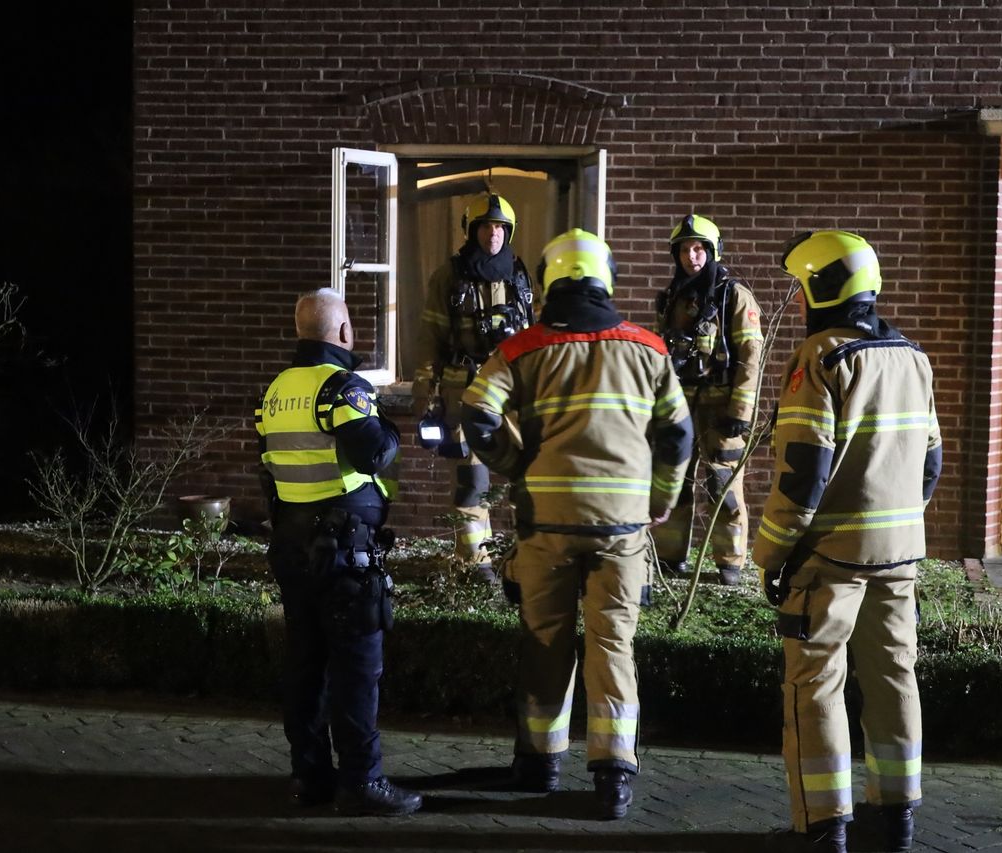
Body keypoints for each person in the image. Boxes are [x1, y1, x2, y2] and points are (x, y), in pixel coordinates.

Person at [460, 229, 693, 820]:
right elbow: (679, 434)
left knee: (546, 641)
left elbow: (477, 412)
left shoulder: (522, 349)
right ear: (606, 277)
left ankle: (538, 762)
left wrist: (518, 469)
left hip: (548, 525)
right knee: (612, 643)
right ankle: (613, 776)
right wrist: (660, 498)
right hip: (622, 530)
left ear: (547, 282)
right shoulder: (651, 349)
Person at [751, 231, 942, 853]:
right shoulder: (912, 357)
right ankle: (897, 821)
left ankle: (823, 826)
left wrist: (770, 552)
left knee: (815, 686)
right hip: (902, 553)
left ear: (817, 288)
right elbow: (931, 462)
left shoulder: (822, 358)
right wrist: (903, 521)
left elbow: (803, 471)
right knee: (894, 678)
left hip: (830, 559)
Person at [254, 288, 422, 816]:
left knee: (306, 664)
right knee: (356, 667)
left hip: (293, 546)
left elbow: (269, 469)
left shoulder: (277, 389)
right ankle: (362, 782)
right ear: (343, 332)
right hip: (344, 552)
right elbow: (371, 451)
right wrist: (390, 429)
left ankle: (310, 778)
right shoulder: (340, 387)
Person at [413, 193, 538, 584]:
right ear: (472, 231)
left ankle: (532, 557)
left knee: (531, 475)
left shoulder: (518, 273)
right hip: (463, 391)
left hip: (513, 393)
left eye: (501, 227)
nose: (494, 234)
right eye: (486, 226)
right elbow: (430, 337)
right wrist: (424, 393)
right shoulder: (448, 276)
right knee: (472, 481)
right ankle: (474, 560)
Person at [652, 214, 764, 586]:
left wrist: (741, 412)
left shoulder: (734, 296)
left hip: (721, 411)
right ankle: (670, 559)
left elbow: (751, 356)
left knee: (723, 487)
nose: (692, 256)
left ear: (712, 251)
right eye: (685, 249)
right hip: (679, 408)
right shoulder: (673, 297)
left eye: (699, 248)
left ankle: (729, 565)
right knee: (675, 483)